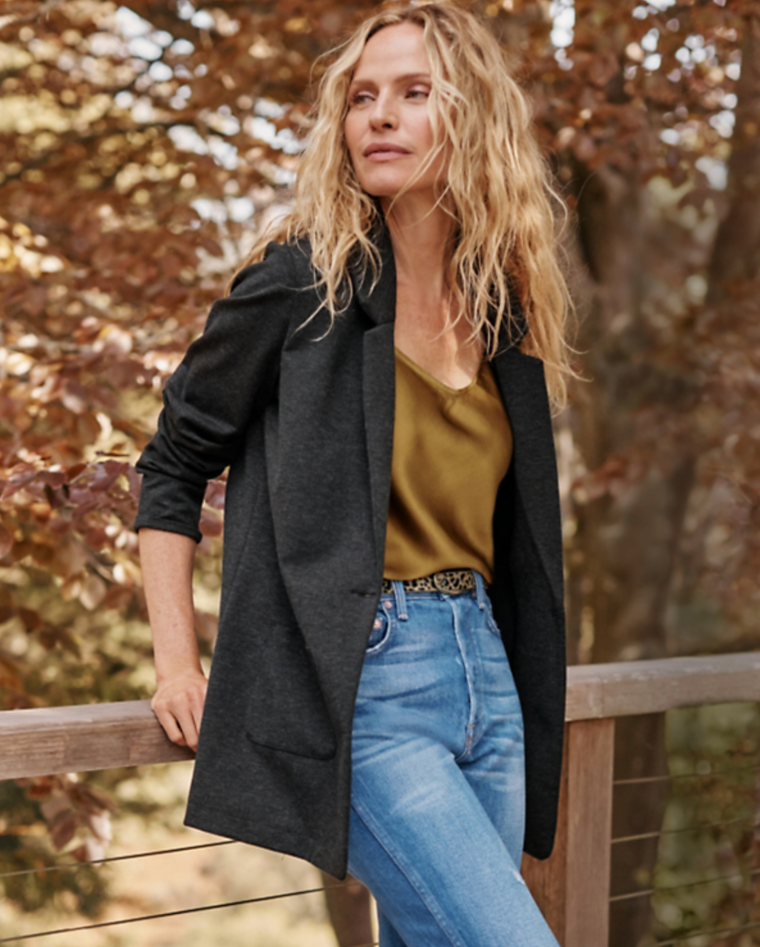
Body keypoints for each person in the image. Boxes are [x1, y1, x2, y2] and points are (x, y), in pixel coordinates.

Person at [135, 2, 577, 944]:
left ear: (471, 118)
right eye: (362, 96)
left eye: (414, 93)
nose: (379, 115)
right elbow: (172, 464)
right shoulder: (302, 284)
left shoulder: (501, 309)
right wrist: (175, 662)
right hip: (367, 679)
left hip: (488, 674)